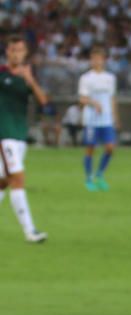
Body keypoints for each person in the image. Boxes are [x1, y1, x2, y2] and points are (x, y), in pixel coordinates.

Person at [0, 35, 48, 243]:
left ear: (25, 53)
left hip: (20, 135)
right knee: (18, 179)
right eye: (13, 50)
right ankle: (30, 231)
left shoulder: (27, 77)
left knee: (3, 182)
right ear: (7, 52)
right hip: (4, 135)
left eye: (20, 50)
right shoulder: (1, 74)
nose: (16, 54)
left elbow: (43, 101)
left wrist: (29, 79)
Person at [78, 46, 118, 192]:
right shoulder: (86, 78)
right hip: (91, 120)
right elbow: (82, 99)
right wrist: (93, 103)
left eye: (99, 59)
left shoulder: (110, 78)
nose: (96, 61)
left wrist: (115, 116)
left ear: (104, 60)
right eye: (94, 59)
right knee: (90, 149)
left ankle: (100, 174)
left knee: (110, 148)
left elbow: (112, 98)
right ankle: (89, 178)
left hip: (106, 119)